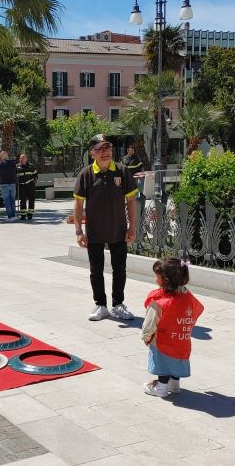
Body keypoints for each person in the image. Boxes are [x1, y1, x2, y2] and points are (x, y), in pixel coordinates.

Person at [73, 134, 138, 321]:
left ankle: (118, 305)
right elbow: (78, 205)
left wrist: (132, 228)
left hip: (118, 230)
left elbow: (131, 201)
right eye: (100, 149)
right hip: (94, 232)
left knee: (120, 269)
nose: (105, 152)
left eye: (107, 148)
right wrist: (78, 231)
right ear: (92, 153)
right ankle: (100, 305)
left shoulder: (122, 171)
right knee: (96, 271)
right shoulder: (85, 174)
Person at [141, 257, 204, 398]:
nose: (155, 279)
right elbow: (193, 314)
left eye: (157, 277)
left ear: (166, 280)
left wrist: (146, 337)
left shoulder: (160, 302)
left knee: (163, 362)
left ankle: (162, 387)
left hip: (163, 340)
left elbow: (149, 323)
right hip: (182, 340)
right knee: (176, 360)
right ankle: (174, 384)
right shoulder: (188, 297)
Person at [0, 150, 18, 222]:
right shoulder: (13, 163)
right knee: (12, 200)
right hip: (13, 183)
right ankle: (13, 216)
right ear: (7, 156)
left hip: (4, 184)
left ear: (1, 156)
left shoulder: (0, 164)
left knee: (7, 201)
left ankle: (10, 216)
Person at [16, 153, 38, 221]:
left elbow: (36, 175)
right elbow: (15, 176)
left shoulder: (31, 166)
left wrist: (34, 183)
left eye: (23, 158)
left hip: (30, 185)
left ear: (26, 159)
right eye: (20, 158)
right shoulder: (17, 167)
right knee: (23, 201)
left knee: (31, 200)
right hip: (22, 186)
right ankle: (23, 215)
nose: (21, 159)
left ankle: (30, 214)